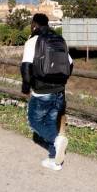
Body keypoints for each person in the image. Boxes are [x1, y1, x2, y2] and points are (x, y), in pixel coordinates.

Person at [21, 13, 73, 171]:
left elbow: (26, 67)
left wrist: (26, 87)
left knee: (34, 121)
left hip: (42, 90)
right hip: (59, 91)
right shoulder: (59, 40)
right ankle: (54, 160)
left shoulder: (33, 41)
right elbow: (70, 64)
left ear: (34, 24)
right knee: (50, 122)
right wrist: (59, 81)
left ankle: (57, 140)